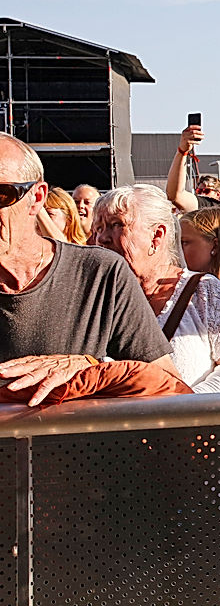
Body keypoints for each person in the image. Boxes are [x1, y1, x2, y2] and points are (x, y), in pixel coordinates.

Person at [0, 134, 176, 406]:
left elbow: (169, 387)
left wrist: (93, 371)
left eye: (2, 194)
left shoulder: (100, 274)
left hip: (79, 448)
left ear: (36, 198)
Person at [94, 185, 220, 393]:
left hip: (191, 422)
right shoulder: (93, 298)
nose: (102, 238)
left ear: (157, 236)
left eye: (116, 225)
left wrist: (187, 403)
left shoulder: (203, 292)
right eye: (97, 228)